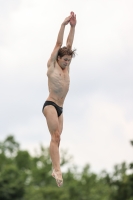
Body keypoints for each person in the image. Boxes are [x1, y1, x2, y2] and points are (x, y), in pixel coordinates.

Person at [42, 11, 77, 187]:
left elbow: (69, 45)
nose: (67, 63)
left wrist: (73, 27)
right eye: (64, 60)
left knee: (57, 139)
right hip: (50, 105)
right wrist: (63, 25)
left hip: (61, 107)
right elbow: (59, 43)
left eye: (69, 61)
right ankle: (57, 170)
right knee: (55, 135)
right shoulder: (53, 65)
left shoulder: (66, 68)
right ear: (58, 58)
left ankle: (55, 168)